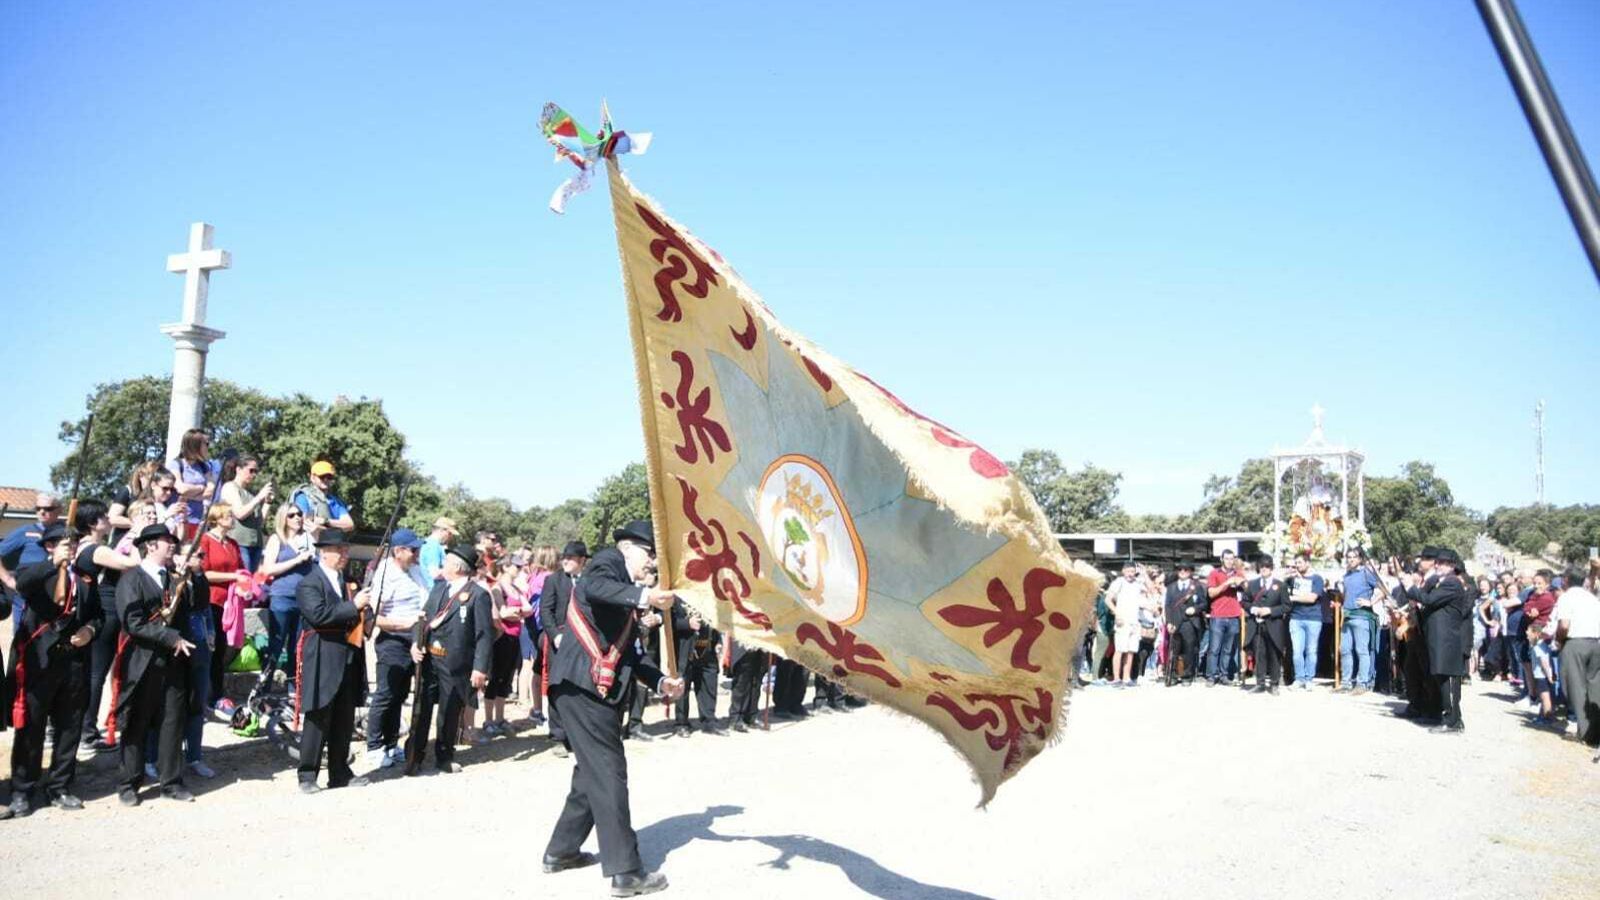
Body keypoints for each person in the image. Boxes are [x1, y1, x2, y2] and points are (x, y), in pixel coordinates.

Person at [542, 520, 683, 896]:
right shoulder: (607, 563)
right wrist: (647, 598)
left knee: (591, 775)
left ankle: (562, 851)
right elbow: (594, 586)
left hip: (589, 690)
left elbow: (632, 655)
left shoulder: (625, 594)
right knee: (608, 773)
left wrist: (660, 682)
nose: (652, 563)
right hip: (582, 687)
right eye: (650, 554)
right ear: (629, 548)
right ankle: (626, 872)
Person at [6, 522, 100, 817]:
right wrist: (53, 563)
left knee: (70, 728)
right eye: (62, 543)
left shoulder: (84, 579)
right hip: (39, 663)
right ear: (48, 546)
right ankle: (23, 790)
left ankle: (59, 785)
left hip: (73, 662)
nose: (69, 547)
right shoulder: (37, 572)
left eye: (71, 543)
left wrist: (89, 631)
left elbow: (98, 616)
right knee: (31, 730)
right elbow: (23, 585)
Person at [112, 524, 199, 806]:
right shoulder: (131, 579)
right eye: (166, 540)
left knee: (172, 723)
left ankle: (171, 782)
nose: (172, 544)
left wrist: (192, 576)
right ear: (149, 545)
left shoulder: (175, 577)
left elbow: (196, 606)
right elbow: (133, 623)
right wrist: (170, 637)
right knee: (136, 723)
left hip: (174, 663)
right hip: (141, 662)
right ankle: (129, 783)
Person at [294, 528, 371, 793]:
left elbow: (356, 614)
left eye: (346, 550)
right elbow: (319, 615)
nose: (344, 555)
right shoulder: (309, 583)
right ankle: (307, 774)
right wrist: (354, 606)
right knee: (318, 714)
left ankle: (340, 771)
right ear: (324, 552)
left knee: (344, 716)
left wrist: (365, 612)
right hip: (323, 652)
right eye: (340, 550)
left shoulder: (347, 581)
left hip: (348, 652)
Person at [406, 543, 493, 773]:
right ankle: (414, 755)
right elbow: (422, 619)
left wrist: (480, 668)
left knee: (449, 711)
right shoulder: (438, 589)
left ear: (458, 567)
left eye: (446, 562)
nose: (442, 566)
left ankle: (444, 756)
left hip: (455, 663)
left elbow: (484, 635)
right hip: (429, 659)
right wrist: (416, 642)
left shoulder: (478, 595)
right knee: (421, 708)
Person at [77, 500, 142, 753]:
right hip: (104, 612)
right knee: (96, 674)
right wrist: (135, 535)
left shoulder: (89, 547)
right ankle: (87, 731)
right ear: (93, 523)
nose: (108, 519)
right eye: (103, 517)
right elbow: (130, 563)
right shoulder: (95, 549)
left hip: (100, 611)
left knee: (94, 673)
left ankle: (86, 728)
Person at [365, 527, 430, 768]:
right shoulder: (385, 575)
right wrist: (407, 623)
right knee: (386, 693)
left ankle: (392, 744)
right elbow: (372, 618)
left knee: (401, 694)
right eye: (413, 549)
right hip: (393, 640)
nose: (417, 553)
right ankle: (374, 745)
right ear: (398, 551)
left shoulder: (416, 571)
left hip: (415, 638)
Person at [1406, 548, 1470, 734]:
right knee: (1440, 676)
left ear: (1452, 566)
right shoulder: (1442, 582)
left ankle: (1453, 720)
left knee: (1447, 678)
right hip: (1439, 638)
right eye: (1438, 562)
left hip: (1448, 639)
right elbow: (1428, 605)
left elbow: (1430, 600)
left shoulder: (1451, 583)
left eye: (1443, 563)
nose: (1438, 565)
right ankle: (1446, 716)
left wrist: (1411, 588)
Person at [258, 504, 315, 695]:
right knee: (276, 644)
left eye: (300, 514)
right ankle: (263, 688)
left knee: (298, 647)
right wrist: (296, 560)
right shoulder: (277, 539)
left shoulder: (308, 538)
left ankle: (293, 688)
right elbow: (267, 569)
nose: (298, 517)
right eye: (292, 515)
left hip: (304, 599)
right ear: (284, 518)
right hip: (282, 597)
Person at [540, 540, 589, 755]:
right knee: (557, 686)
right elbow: (545, 611)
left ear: (582, 561)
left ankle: (578, 735)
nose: (566, 561)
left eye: (571, 559)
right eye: (564, 558)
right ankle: (558, 735)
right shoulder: (554, 580)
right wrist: (555, 636)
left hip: (585, 641)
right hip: (559, 640)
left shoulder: (589, 581)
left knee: (582, 687)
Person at [1546, 568, 1600, 757]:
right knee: (1594, 688)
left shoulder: (1567, 597)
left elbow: (1564, 625)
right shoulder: (1592, 598)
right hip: (1595, 642)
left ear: (1566, 580)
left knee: (1575, 687)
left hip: (1575, 643)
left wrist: (1559, 641)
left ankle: (1586, 733)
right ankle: (1596, 729)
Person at [198, 504, 245, 715]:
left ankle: (217, 694)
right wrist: (233, 577)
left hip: (231, 603)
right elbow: (204, 573)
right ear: (217, 518)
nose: (232, 518)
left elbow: (241, 568)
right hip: (212, 601)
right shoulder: (206, 540)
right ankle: (207, 695)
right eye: (228, 515)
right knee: (211, 648)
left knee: (224, 649)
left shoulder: (232, 543)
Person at [484, 550, 530, 736]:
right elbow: (502, 613)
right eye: (516, 566)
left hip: (515, 636)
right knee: (495, 678)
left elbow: (527, 609)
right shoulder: (498, 588)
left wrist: (515, 611)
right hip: (501, 636)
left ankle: (500, 718)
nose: (519, 569)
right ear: (505, 566)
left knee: (506, 678)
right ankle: (488, 719)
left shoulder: (516, 589)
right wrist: (516, 612)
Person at [2, 492, 60, 631]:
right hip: (26, 597)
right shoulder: (25, 532)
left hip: (56, 597)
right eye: (38, 508)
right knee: (22, 639)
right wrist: (8, 579)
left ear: (59, 510)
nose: (42, 512)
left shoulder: (67, 532)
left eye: (48, 509)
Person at [670, 599, 720, 736]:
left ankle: (709, 721)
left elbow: (716, 619)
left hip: (706, 646)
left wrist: (718, 641)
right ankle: (681, 723)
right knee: (682, 686)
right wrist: (687, 623)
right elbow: (668, 622)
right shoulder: (676, 597)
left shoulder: (705, 594)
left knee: (708, 684)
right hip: (684, 649)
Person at [219, 454, 272, 571]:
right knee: (243, 583)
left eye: (256, 471)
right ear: (238, 469)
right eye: (251, 470)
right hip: (239, 544)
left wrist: (267, 502)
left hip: (255, 544)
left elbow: (259, 522)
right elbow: (239, 514)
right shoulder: (230, 487)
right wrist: (259, 497)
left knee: (252, 584)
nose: (254, 475)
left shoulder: (250, 493)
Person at [1244, 556, 1289, 694]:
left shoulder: (1280, 585)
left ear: (1271, 568)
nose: (1264, 569)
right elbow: (1245, 602)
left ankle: (1274, 683)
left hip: (1274, 624)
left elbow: (1286, 606)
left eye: (1267, 566)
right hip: (1256, 625)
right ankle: (1260, 683)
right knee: (1259, 653)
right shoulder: (1252, 584)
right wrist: (1253, 609)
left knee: (1274, 654)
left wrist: (1270, 610)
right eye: (1262, 566)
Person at [1339, 549, 1382, 695]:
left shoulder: (1366, 573)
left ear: (1360, 559)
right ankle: (1346, 683)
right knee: (1345, 650)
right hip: (1347, 616)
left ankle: (1362, 683)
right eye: (1348, 557)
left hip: (1362, 616)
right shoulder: (1346, 575)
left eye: (1353, 557)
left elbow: (1383, 590)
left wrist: (1370, 602)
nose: (1350, 560)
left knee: (1361, 651)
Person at [168, 428, 220, 540]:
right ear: (194, 445)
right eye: (206, 444)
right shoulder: (176, 464)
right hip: (180, 521)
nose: (208, 447)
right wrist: (201, 487)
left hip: (199, 521)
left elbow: (211, 491)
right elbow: (181, 489)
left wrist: (189, 494)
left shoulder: (204, 466)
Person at [1205, 549, 1247, 685]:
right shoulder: (1214, 574)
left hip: (1234, 615)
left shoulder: (1238, 573)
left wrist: (1241, 582)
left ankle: (1224, 675)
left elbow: (1248, 589)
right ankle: (1211, 676)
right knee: (1214, 648)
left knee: (1228, 649)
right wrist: (1226, 583)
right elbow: (1211, 593)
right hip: (1218, 615)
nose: (1230, 561)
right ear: (1221, 559)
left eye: (1231, 559)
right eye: (1227, 558)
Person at [1523, 570, 1560, 724]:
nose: (1536, 586)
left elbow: (1534, 612)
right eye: (1535, 583)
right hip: (1535, 635)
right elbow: (1527, 607)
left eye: (1540, 583)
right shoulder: (1534, 596)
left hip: (1540, 636)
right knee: (1539, 673)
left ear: (1547, 584)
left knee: (1542, 675)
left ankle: (1547, 712)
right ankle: (1544, 711)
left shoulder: (1546, 598)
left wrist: (1531, 610)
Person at [1286, 554, 1326, 690]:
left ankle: (1309, 679)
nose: (1297, 565)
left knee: (1311, 650)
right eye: (1296, 563)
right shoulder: (1293, 579)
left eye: (1300, 562)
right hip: (1296, 618)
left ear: (1308, 563)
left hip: (1313, 619)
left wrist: (1292, 598)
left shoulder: (1317, 579)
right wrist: (1287, 575)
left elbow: (1312, 598)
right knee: (1297, 651)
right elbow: (1278, 583)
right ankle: (1299, 678)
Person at [1163, 562, 1207, 684]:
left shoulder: (1197, 586)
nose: (1182, 571)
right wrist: (1169, 622)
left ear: (1190, 572)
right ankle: (1172, 675)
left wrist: (1195, 609)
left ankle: (1187, 676)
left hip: (1189, 621)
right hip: (1175, 620)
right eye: (1180, 569)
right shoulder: (1171, 587)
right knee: (1174, 649)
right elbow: (1168, 606)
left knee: (1189, 649)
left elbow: (1203, 603)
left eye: (1186, 569)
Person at [1104, 563, 1146, 687]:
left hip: (1134, 620)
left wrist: (1144, 574)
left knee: (1131, 650)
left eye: (1132, 571)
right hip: (1123, 620)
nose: (1130, 574)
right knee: (1120, 649)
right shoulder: (1119, 582)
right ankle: (1117, 678)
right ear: (1123, 571)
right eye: (1128, 571)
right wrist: (1117, 613)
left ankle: (1126, 677)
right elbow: (1108, 599)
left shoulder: (1137, 583)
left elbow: (1150, 589)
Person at [290, 460, 354, 539]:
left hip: (330, 545)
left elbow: (349, 524)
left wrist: (324, 521)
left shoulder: (336, 501)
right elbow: (305, 524)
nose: (326, 480)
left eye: (329, 477)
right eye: (322, 476)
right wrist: (334, 528)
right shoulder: (303, 497)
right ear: (312, 478)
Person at [724, 637, 766, 732]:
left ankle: (751, 715)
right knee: (741, 682)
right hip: (743, 642)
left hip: (760, 643)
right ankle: (736, 717)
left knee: (756, 682)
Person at [420, 516, 456, 583]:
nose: (451, 537)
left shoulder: (435, 545)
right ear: (442, 530)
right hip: (434, 589)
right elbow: (435, 574)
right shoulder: (432, 546)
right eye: (449, 533)